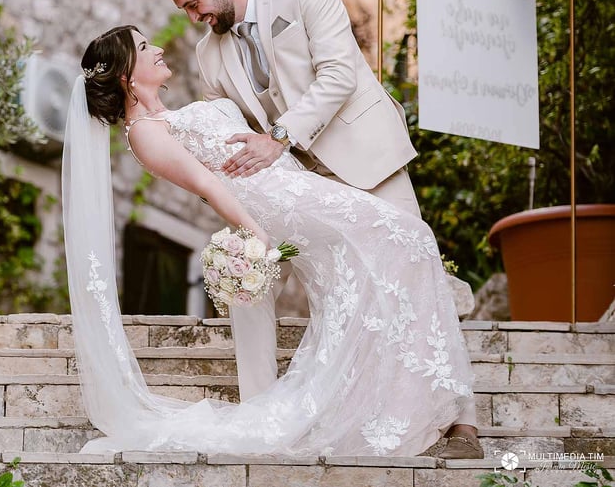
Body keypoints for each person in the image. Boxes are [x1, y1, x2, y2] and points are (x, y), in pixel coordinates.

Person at [62, 24, 483, 458]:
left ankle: (402, 400)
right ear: (126, 75)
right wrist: (255, 230)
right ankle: (416, 405)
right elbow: (207, 184)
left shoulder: (169, 115)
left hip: (295, 187)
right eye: (144, 46)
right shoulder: (144, 132)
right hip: (281, 204)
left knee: (385, 261)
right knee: (411, 235)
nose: (158, 48)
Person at [163, 0, 474, 401]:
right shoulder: (209, 53)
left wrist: (279, 137)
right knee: (265, 282)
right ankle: (265, 406)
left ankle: (459, 414)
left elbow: (339, 75)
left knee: (414, 270)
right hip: (297, 185)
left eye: (193, 4)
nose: (193, 17)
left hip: (366, 156)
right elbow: (230, 127)